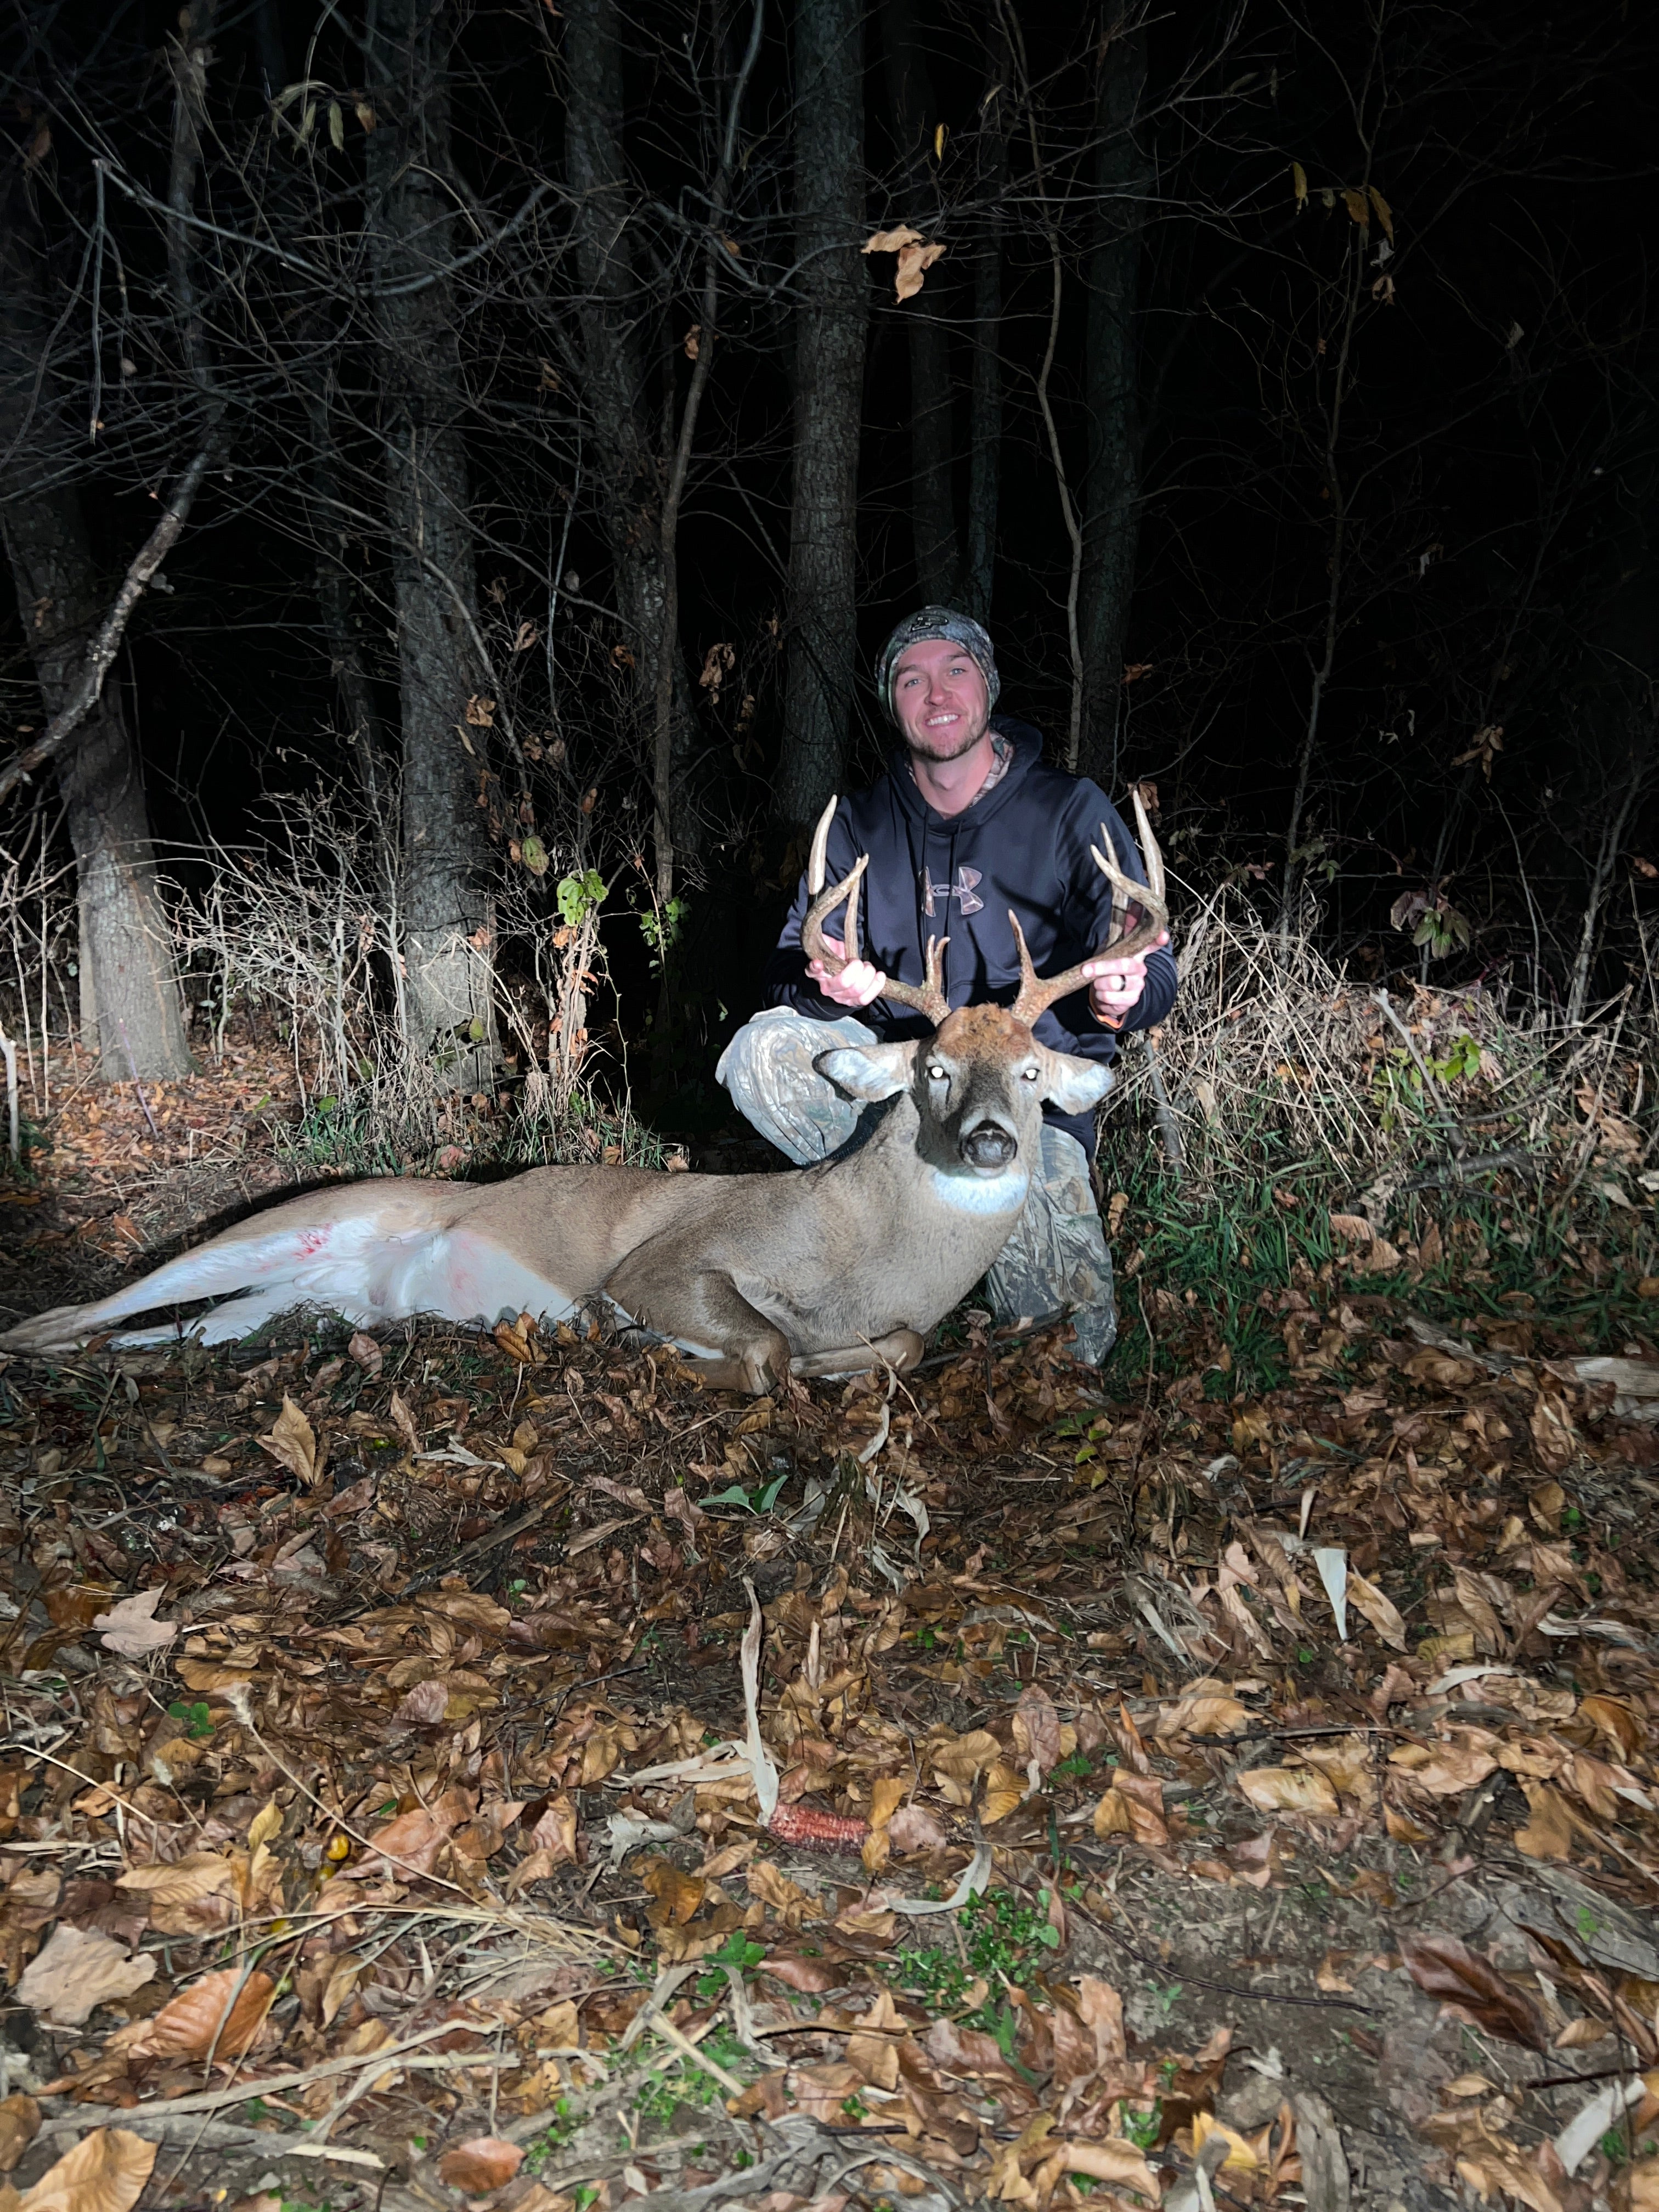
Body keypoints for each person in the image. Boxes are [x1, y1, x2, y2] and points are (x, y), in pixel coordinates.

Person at [716, 605, 1176, 1363]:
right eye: (912, 679)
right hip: (911, 1097)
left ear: (987, 687)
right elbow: (783, 973)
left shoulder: (1069, 810)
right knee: (760, 1053)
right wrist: (829, 988)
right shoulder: (860, 824)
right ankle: (880, 1223)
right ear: (890, 701)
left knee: (1069, 1352)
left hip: (1025, 1111)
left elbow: (1153, 966)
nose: (937, 695)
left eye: (956, 671)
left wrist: (1124, 996)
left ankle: (942, 1241)